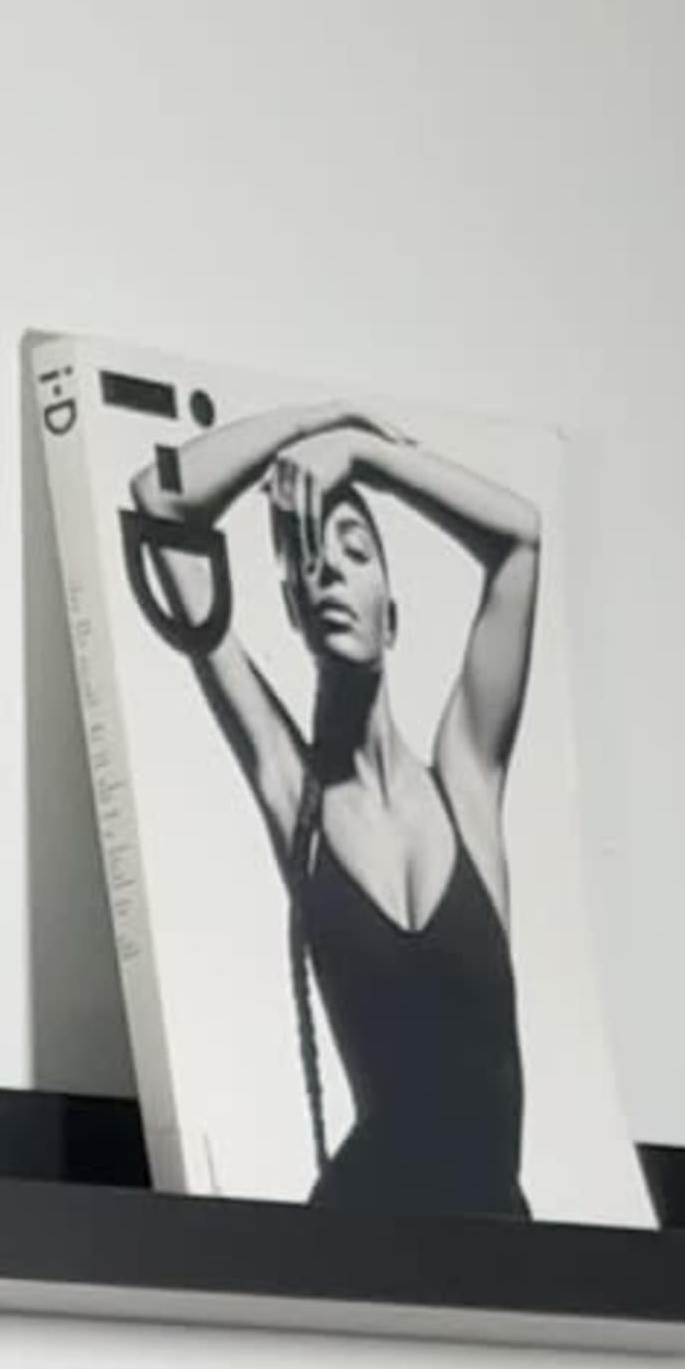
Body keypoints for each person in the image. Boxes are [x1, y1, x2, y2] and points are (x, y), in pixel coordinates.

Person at [122, 397, 544, 1216]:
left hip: (503, 1257)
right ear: (293, 612)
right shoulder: (293, 791)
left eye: (353, 552)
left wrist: (362, 454)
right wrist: (309, 423)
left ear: (394, 611)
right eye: (309, 560)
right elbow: (159, 501)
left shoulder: (467, 778)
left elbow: (520, 540)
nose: (329, 574)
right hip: (359, 1243)